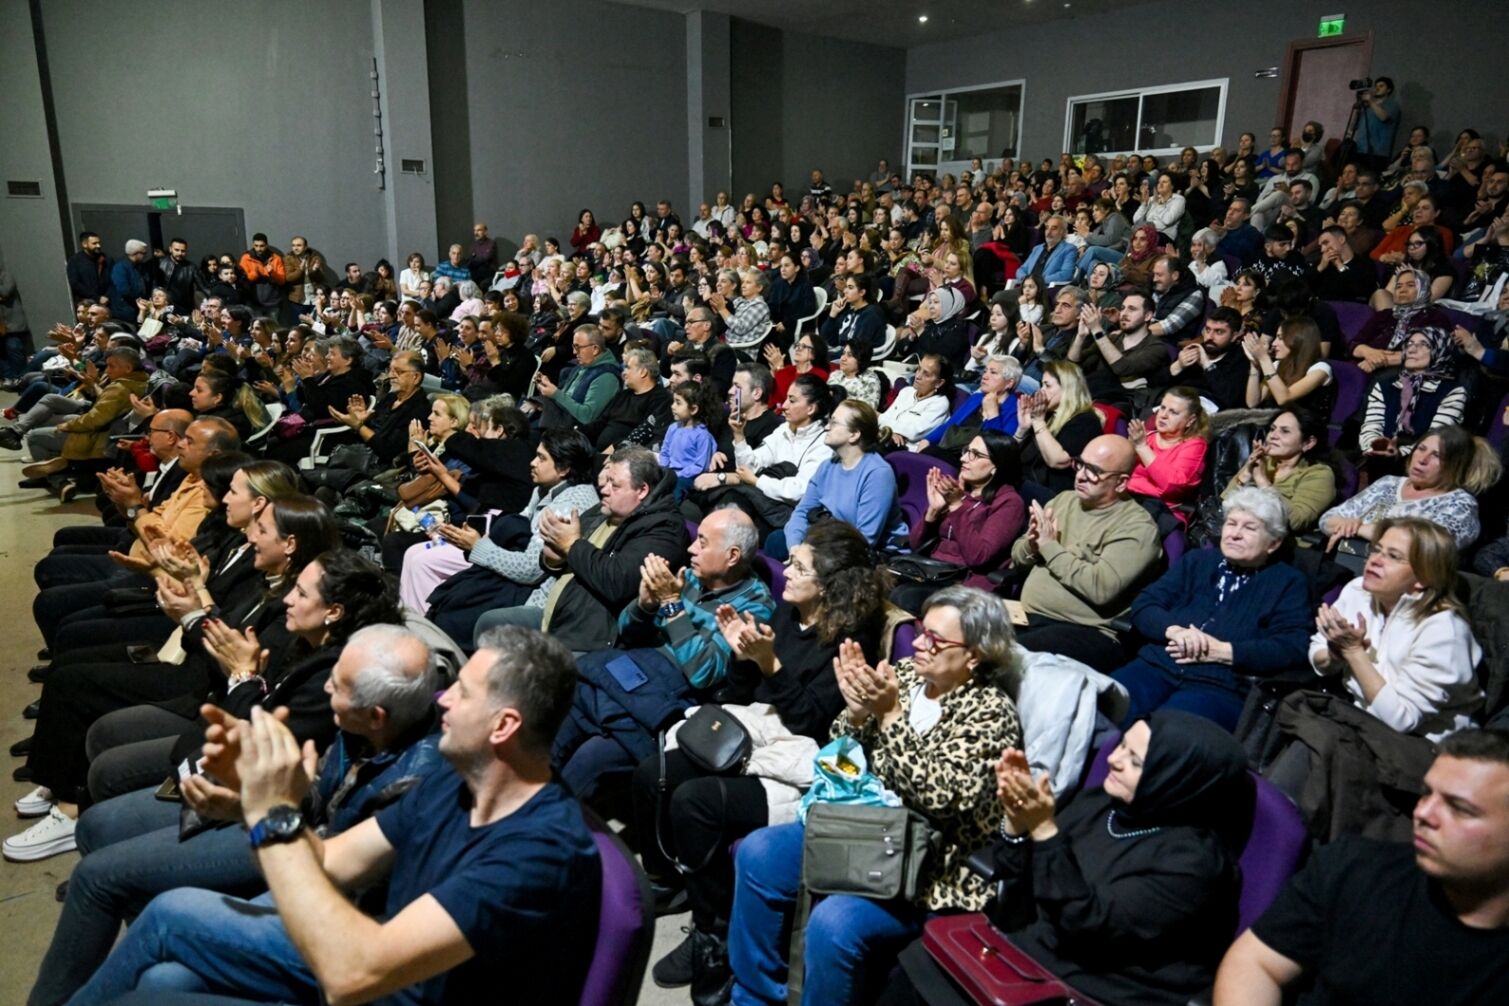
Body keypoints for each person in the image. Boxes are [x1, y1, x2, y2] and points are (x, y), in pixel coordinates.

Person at [66, 624, 601, 1006]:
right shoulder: (453, 782)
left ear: (503, 726)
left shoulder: (537, 850)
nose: (442, 701)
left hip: (373, 978)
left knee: (163, 965)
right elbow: (333, 862)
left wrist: (274, 814)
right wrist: (254, 807)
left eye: (462, 693)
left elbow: (353, 975)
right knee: (165, 961)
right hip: (375, 970)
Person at [23, 623, 444, 1006]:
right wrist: (244, 802)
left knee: (166, 916)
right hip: (306, 863)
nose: (327, 687)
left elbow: (333, 869)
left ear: (376, 715)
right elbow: (322, 801)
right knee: (164, 980)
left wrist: (264, 807)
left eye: (340, 685)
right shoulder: (367, 731)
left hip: (339, 918)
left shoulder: (418, 780)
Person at [728, 585, 1024, 1006]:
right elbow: (841, 750)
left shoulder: (990, 713)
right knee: (758, 854)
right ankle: (755, 996)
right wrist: (854, 715)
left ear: (974, 656)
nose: (918, 644)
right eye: (922, 631)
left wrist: (889, 716)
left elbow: (942, 797)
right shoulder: (903, 676)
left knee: (835, 923)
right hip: (865, 826)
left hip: (928, 862)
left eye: (935, 640)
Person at [635, 520, 891, 998]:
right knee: (655, 775)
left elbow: (812, 725)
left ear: (829, 586)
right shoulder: (789, 613)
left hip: (800, 765)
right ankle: (679, 884)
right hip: (759, 736)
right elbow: (739, 695)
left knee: (695, 802)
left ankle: (715, 935)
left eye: (799, 567)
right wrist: (742, 656)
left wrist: (770, 664)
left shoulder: (849, 640)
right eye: (790, 562)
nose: (785, 573)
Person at [885, 712, 1250, 1006]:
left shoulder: (1195, 867)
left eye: (1135, 760)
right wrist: (1015, 825)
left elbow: (1088, 925)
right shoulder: (1104, 805)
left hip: (1093, 983)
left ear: (1175, 780)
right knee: (918, 962)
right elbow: (1023, 876)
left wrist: (1043, 829)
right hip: (1036, 944)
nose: (1113, 759)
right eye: (1121, 745)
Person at [1215, 729, 1509, 1006]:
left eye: (1459, 808)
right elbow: (1257, 964)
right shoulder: (1352, 869)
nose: (1423, 813)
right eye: (1426, 794)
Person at [551, 507, 774, 801]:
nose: (691, 548)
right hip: (629, 677)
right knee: (550, 731)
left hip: (668, 707)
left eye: (703, 543)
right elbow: (628, 633)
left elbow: (704, 673)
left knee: (587, 763)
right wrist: (644, 606)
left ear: (732, 556)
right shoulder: (692, 576)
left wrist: (671, 604)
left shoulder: (754, 608)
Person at [1111, 487, 1312, 730]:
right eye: (1231, 523)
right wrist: (1175, 631)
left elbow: (1293, 646)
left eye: (1249, 528)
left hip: (1220, 686)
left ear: (1274, 543)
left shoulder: (1288, 582)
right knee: (1096, 706)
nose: (1235, 534)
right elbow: (1145, 604)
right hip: (1157, 666)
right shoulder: (1198, 561)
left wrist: (1223, 651)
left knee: (1165, 734)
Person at [472, 448, 689, 652]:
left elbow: (616, 582)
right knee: (490, 624)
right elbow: (566, 555)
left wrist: (571, 545)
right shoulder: (603, 510)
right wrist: (552, 558)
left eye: (615, 485)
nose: (604, 489)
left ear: (642, 490)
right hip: (558, 615)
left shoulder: (663, 528)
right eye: (606, 482)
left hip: (591, 634)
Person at [1307, 517, 1483, 742]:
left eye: (1393, 556)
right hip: (1358, 722)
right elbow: (1317, 654)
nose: (1375, 561)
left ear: (1423, 577)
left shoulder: (1444, 630)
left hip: (1422, 749)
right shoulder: (1358, 591)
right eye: (1376, 550)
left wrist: (1353, 652)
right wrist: (1335, 652)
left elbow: (1401, 720)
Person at [1009, 434, 1162, 672]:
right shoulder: (1064, 501)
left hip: (1084, 630)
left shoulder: (1138, 528)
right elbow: (1017, 558)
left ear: (1121, 483)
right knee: (960, 627)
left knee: (1008, 655)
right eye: (1080, 464)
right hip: (1027, 615)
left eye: (1093, 471)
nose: (1080, 475)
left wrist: (1049, 546)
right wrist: (1032, 544)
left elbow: (1100, 589)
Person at [897, 432, 1024, 609]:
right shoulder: (960, 493)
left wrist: (956, 506)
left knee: (903, 598)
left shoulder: (1009, 503)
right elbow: (915, 544)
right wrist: (933, 512)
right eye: (967, 451)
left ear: (996, 465)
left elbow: (979, 557)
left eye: (975, 455)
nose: (964, 458)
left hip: (963, 582)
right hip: (931, 571)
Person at [772, 399, 905, 559]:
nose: (827, 427)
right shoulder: (827, 466)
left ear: (854, 434)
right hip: (831, 538)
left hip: (869, 553)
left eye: (834, 423)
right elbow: (802, 512)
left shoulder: (878, 473)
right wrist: (795, 547)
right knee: (777, 541)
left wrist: (808, 555)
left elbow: (865, 539)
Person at [1357, 327, 1467, 465]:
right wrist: (1376, 447)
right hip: (1377, 458)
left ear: (1440, 350)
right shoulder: (1386, 383)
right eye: (1409, 344)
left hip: (1422, 462)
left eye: (1424, 345)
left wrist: (1399, 453)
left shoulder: (1452, 391)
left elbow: (1436, 439)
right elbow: (1372, 425)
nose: (1411, 350)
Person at [1224, 407, 1337, 533]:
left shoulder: (1320, 474)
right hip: (1238, 532)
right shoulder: (1263, 461)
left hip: (1281, 544)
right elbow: (1225, 501)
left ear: (1308, 443)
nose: (1273, 436)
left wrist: (1262, 481)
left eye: (1285, 431)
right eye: (1272, 429)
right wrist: (1247, 473)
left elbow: (1296, 521)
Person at [1015, 359, 1103, 505]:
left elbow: (1057, 461)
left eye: (1047, 386)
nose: (1041, 391)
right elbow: (1010, 456)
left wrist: (1038, 422)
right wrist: (1022, 429)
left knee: (1004, 483)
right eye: (1041, 384)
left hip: (1057, 495)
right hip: (1029, 482)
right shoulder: (1046, 415)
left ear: (1068, 389)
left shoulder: (1086, 421)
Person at [1126, 386, 1209, 531]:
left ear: (1190, 420)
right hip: (1127, 500)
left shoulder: (1194, 445)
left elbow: (1172, 485)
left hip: (1161, 512)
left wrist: (1142, 447)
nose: (1163, 415)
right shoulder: (1147, 436)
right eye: (1163, 408)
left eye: (1173, 412)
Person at [915, 354, 1021, 461]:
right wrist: (927, 440)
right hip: (949, 450)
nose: (985, 376)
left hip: (973, 462)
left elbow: (997, 450)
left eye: (993, 372)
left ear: (1009, 383)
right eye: (985, 371)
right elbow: (950, 425)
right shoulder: (976, 398)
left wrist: (993, 414)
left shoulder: (1015, 410)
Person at [1162, 307, 1248, 410]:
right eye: (1207, 330)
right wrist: (1178, 365)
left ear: (1234, 336)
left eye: (1219, 332)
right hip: (1173, 403)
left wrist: (1207, 366)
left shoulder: (1241, 360)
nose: (1210, 337)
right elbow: (1153, 383)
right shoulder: (1194, 350)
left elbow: (1229, 399)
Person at [1244, 317, 1333, 410]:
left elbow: (1284, 398)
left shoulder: (1321, 369)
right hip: (1276, 418)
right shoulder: (1277, 365)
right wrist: (1254, 365)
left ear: (1298, 340)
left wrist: (1264, 359)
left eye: (1280, 338)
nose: (1274, 343)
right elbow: (1252, 403)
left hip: (1304, 420)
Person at [879, 354, 953, 451]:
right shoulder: (906, 392)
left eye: (926, 374)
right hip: (885, 438)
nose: (917, 376)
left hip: (906, 450)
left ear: (939, 383)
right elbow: (883, 418)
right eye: (918, 369)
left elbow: (913, 433)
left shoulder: (940, 403)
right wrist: (891, 432)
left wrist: (887, 428)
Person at [894, 286, 971, 374]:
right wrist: (911, 337)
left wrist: (920, 332)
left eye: (936, 302)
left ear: (949, 304)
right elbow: (900, 350)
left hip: (941, 378)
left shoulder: (958, 329)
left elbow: (937, 355)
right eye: (930, 303)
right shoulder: (930, 325)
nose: (931, 306)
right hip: (916, 372)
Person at [1310, 224, 1381, 303]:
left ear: (1341, 239)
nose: (1322, 250)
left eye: (1326, 243)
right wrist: (1320, 268)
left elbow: (1362, 291)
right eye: (1321, 246)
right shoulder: (1322, 265)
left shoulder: (1365, 263)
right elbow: (1305, 288)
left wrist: (1340, 266)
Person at [820, 273, 886, 354]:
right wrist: (833, 314)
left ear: (862, 292)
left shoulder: (871, 314)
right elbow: (829, 339)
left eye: (850, 288)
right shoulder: (850, 311)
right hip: (843, 354)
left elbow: (858, 347)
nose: (845, 291)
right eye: (846, 287)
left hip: (855, 359)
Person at [763, 331, 829, 410]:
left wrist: (779, 368)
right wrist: (773, 373)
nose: (798, 348)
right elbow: (772, 398)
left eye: (804, 346)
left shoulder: (819, 374)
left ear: (814, 354)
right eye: (797, 345)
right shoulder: (788, 369)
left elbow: (791, 399)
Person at [1352, 76, 1402, 173]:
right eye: (1376, 86)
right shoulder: (1367, 106)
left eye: (1381, 86)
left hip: (1378, 152)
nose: (1377, 88)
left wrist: (1371, 101)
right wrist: (1358, 109)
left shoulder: (1391, 104)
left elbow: (1383, 117)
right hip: (1361, 149)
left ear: (1388, 90)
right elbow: (1353, 127)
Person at [826, 339, 883, 408]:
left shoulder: (870, 381)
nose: (843, 358)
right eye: (843, 353)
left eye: (849, 355)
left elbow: (867, 410)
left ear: (861, 359)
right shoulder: (835, 374)